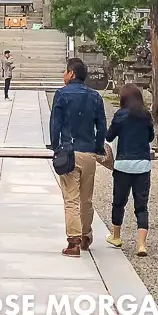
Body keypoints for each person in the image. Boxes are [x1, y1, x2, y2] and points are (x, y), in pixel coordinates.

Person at [48, 56, 107, 256]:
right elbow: (102, 126)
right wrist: (98, 148)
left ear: (71, 73)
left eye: (65, 71)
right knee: (86, 199)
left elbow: (55, 124)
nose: (64, 75)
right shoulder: (95, 96)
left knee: (71, 198)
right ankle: (86, 234)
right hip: (88, 151)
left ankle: (73, 242)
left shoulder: (62, 95)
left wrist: (56, 147)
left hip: (69, 150)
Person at [106, 83, 155, 255]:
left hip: (123, 164)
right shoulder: (145, 115)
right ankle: (141, 244)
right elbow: (150, 137)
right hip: (142, 164)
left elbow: (109, 135)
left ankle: (116, 236)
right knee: (141, 205)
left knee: (119, 201)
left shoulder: (120, 115)